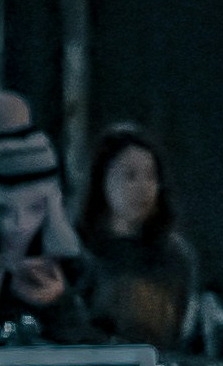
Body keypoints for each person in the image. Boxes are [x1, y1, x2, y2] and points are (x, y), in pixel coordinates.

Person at [0, 87, 81, 335]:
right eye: (3, 211)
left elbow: (104, 354)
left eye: (35, 208)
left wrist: (59, 304)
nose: (20, 224)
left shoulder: (77, 269)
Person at [74, 125, 203, 354]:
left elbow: (180, 332)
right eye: (130, 176)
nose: (143, 188)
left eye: (151, 177)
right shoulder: (78, 251)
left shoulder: (176, 257)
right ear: (102, 179)